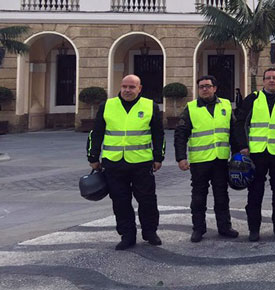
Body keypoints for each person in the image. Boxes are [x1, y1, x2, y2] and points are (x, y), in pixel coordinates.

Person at [86, 74, 164, 250]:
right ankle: (127, 235)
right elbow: (96, 134)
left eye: (132, 87)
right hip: (113, 164)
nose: (127, 90)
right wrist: (93, 157)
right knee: (120, 202)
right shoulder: (107, 106)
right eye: (124, 87)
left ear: (139, 88)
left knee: (147, 200)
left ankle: (150, 232)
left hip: (142, 163)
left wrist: (159, 157)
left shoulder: (150, 106)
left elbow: (158, 135)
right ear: (120, 87)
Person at [174, 75, 239, 243]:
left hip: (220, 160)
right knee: (198, 197)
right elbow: (180, 134)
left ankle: (225, 227)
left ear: (214, 88)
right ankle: (198, 229)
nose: (204, 89)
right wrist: (181, 157)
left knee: (222, 196)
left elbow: (234, 131)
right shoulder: (191, 108)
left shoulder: (225, 105)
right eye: (201, 86)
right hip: (199, 161)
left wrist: (239, 152)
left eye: (208, 86)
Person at [233, 68, 275, 242]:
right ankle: (254, 229)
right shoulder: (253, 99)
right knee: (255, 192)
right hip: (256, 153)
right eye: (268, 78)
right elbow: (240, 123)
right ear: (263, 81)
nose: (271, 81)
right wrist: (243, 146)